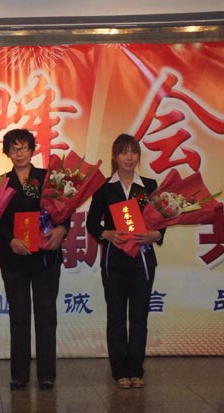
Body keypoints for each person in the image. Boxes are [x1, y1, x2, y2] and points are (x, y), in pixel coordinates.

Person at [0, 128, 68, 391]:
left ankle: (47, 374)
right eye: (14, 149)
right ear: (7, 153)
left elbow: (65, 209)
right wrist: (10, 240)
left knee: (46, 315)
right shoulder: (1, 183)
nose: (19, 153)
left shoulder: (48, 178)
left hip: (46, 257)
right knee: (19, 315)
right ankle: (19, 374)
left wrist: (61, 229)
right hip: (15, 258)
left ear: (32, 150)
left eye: (23, 148)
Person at [86, 133, 164, 389]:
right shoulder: (104, 187)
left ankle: (136, 371)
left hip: (142, 260)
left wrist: (155, 235)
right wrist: (106, 233)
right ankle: (119, 370)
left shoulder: (150, 186)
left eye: (133, 152)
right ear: (115, 156)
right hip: (115, 261)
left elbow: (162, 221)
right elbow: (92, 222)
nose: (129, 157)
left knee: (139, 316)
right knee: (116, 316)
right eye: (123, 152)